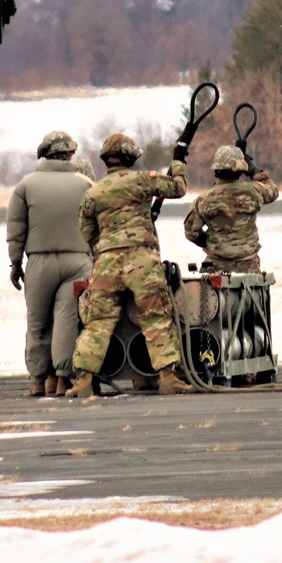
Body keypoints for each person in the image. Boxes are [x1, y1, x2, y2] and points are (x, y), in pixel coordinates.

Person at [66, 133, 194, 398]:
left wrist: (108, 245)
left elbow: (86, 233)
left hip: (106, 262)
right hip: (142, 261)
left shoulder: (93, 193)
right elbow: (178, 188)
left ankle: (83, 381)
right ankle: (168, 378)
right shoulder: (142, 181)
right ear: (130, 157)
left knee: (97, 322)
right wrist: (179, 161)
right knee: (157, 317)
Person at [7, 130, 93, 397]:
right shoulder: (86, 184)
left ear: (43, 153)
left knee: (38, 322)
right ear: (70, 154)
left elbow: (16, 228)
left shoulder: (25, 186)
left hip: (40, 261)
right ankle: (62, 379)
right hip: (78, 261)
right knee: (67, 319)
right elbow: (97, 226)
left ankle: (37, 380)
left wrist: (15, 263)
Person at [183, 145, 279, 273]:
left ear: (215, 169)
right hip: (248, 264)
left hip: (215, 265)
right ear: (240, 170)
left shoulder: (203, 200)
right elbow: (272, 189)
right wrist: (252, 169)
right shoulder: (254, 192)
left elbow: (191, 232)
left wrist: (212, 243)